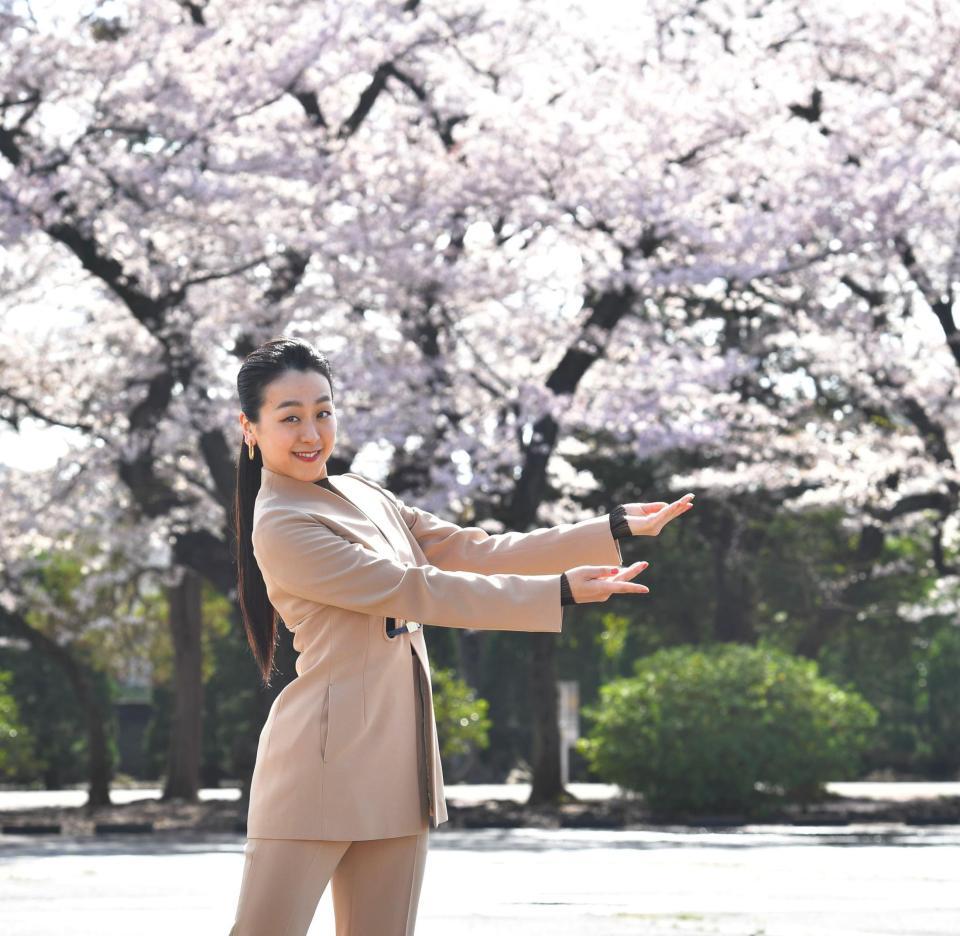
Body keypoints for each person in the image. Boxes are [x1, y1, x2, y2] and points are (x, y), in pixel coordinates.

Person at [229, 336, 695, 935]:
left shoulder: (362, 493)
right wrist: (559, 590)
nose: (312, 432)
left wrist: (610, 528)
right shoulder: (282, 524)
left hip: (397, 759)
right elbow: (417, 589)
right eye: (289, 418)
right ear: (251, 428)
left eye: (323, 412)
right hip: (315, 766)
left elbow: (467, 549)